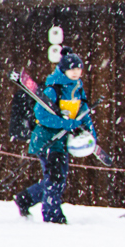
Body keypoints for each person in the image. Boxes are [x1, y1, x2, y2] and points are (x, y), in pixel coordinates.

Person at [16, 51, 98, 225]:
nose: (75, 72)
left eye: (78, 69)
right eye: (71, 69)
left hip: (61, 141)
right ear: (63, 70)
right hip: (47, 140)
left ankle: (25, 198)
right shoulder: (53, 89)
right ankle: (52, 215)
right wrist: (65, 123)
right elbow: (41, 115)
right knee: (55, 178)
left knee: (57, 177)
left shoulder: (77, 89)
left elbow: (84, 114)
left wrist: (90, 133)